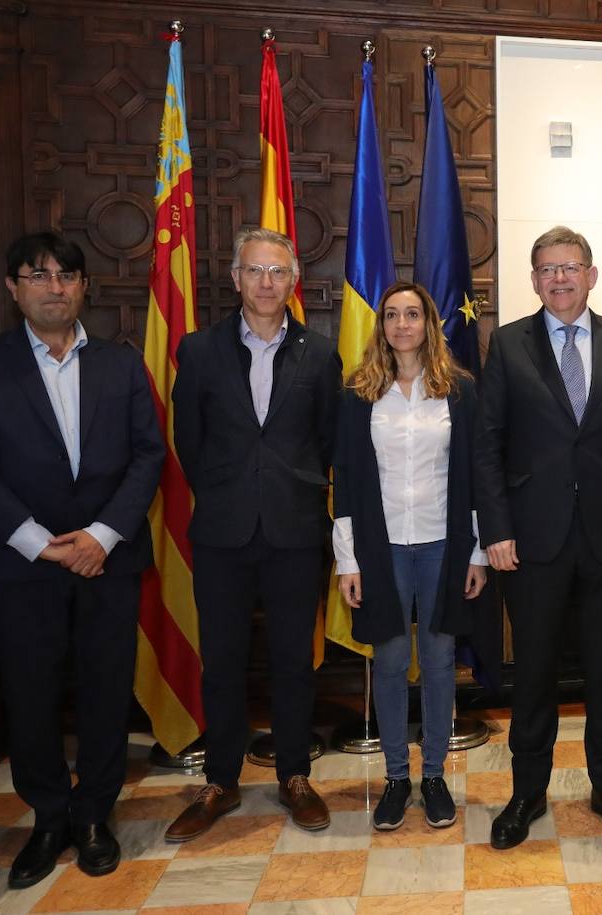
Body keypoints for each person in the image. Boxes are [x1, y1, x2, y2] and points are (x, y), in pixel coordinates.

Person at [0, 232, 164, 888]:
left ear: (83, 287)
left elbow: (148, 454)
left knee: (104, 690)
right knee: (30, 694)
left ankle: (95, 814)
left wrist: (101, 535)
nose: (55, 286)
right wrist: (40, 542)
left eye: (67, 275)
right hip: (21, 566)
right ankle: (47, 816)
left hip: (107, 559)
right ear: (13, 287)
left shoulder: (121, 366)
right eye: (38, 275)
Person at [474, 225, 602, 849]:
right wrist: (495, 530)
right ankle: (527, 791)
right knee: (532, 672)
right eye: (548, 269)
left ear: (591, 274)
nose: (560, 278)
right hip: (532, 541)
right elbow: (488, 448)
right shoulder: (506, 345)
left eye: (571, 267)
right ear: (534, 280)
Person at [165, 227, 341, 841]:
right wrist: (228, 490)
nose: (267, 283)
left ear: (293, 283)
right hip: (223, 531)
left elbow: (327, 441)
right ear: (236, 279)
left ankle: (294, 775)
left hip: (294, 530)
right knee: (223, 661)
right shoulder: (199, 350)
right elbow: (189, 440)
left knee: (295, 660)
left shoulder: (319, 354)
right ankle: (220, 781)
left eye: (278, 273)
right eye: (255, 271)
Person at [332, 281, 488, 831]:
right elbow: (347, 482)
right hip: (383, 549)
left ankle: (435, 776)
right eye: (393, 315)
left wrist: (477, 554)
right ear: (382, 327)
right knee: (394, 663)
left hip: (444, 545)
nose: (402, 324)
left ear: (429, 324)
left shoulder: (460, 390)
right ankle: (398, 778)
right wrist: (348, 561)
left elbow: (474, 478)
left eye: (413, 314)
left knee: (441, 662)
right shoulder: (358, 394)